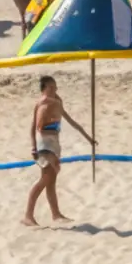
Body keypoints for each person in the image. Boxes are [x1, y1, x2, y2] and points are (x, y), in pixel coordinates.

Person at [23, 75, 95, 227]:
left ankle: (56, 214)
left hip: (54, 142)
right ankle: (28, 215)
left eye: (55, 87)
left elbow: (72, 122)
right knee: (46, 178)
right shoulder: (42, 103)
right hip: (44, 144)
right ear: (43, 89)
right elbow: (34, 127)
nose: (54, 90)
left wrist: (88, 138)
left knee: (51, 180)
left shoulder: (57, 103)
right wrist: (34, 146)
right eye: (51, 87)